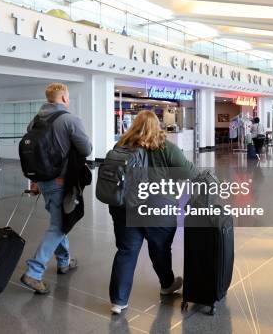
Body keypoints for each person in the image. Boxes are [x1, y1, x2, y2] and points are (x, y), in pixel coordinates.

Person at [108, 110, 199, 314]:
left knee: (126, 251)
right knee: (159, 249)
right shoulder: (166, 146)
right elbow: (188, 172)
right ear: (156, 125)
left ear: (134, 125)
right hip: (157, 206)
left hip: (125, 206)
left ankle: (118, 301)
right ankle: (167, 284)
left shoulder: (121, 146)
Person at [20, 83, 92, 294]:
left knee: (60, 220)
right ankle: (34, 272)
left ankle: (64, 261)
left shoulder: (35, 121)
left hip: (43, 180)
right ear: (64, 98)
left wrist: (36, 181)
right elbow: (86, 149)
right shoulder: (70, 120)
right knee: (59, 226)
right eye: (67, 97)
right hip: (61, 182)